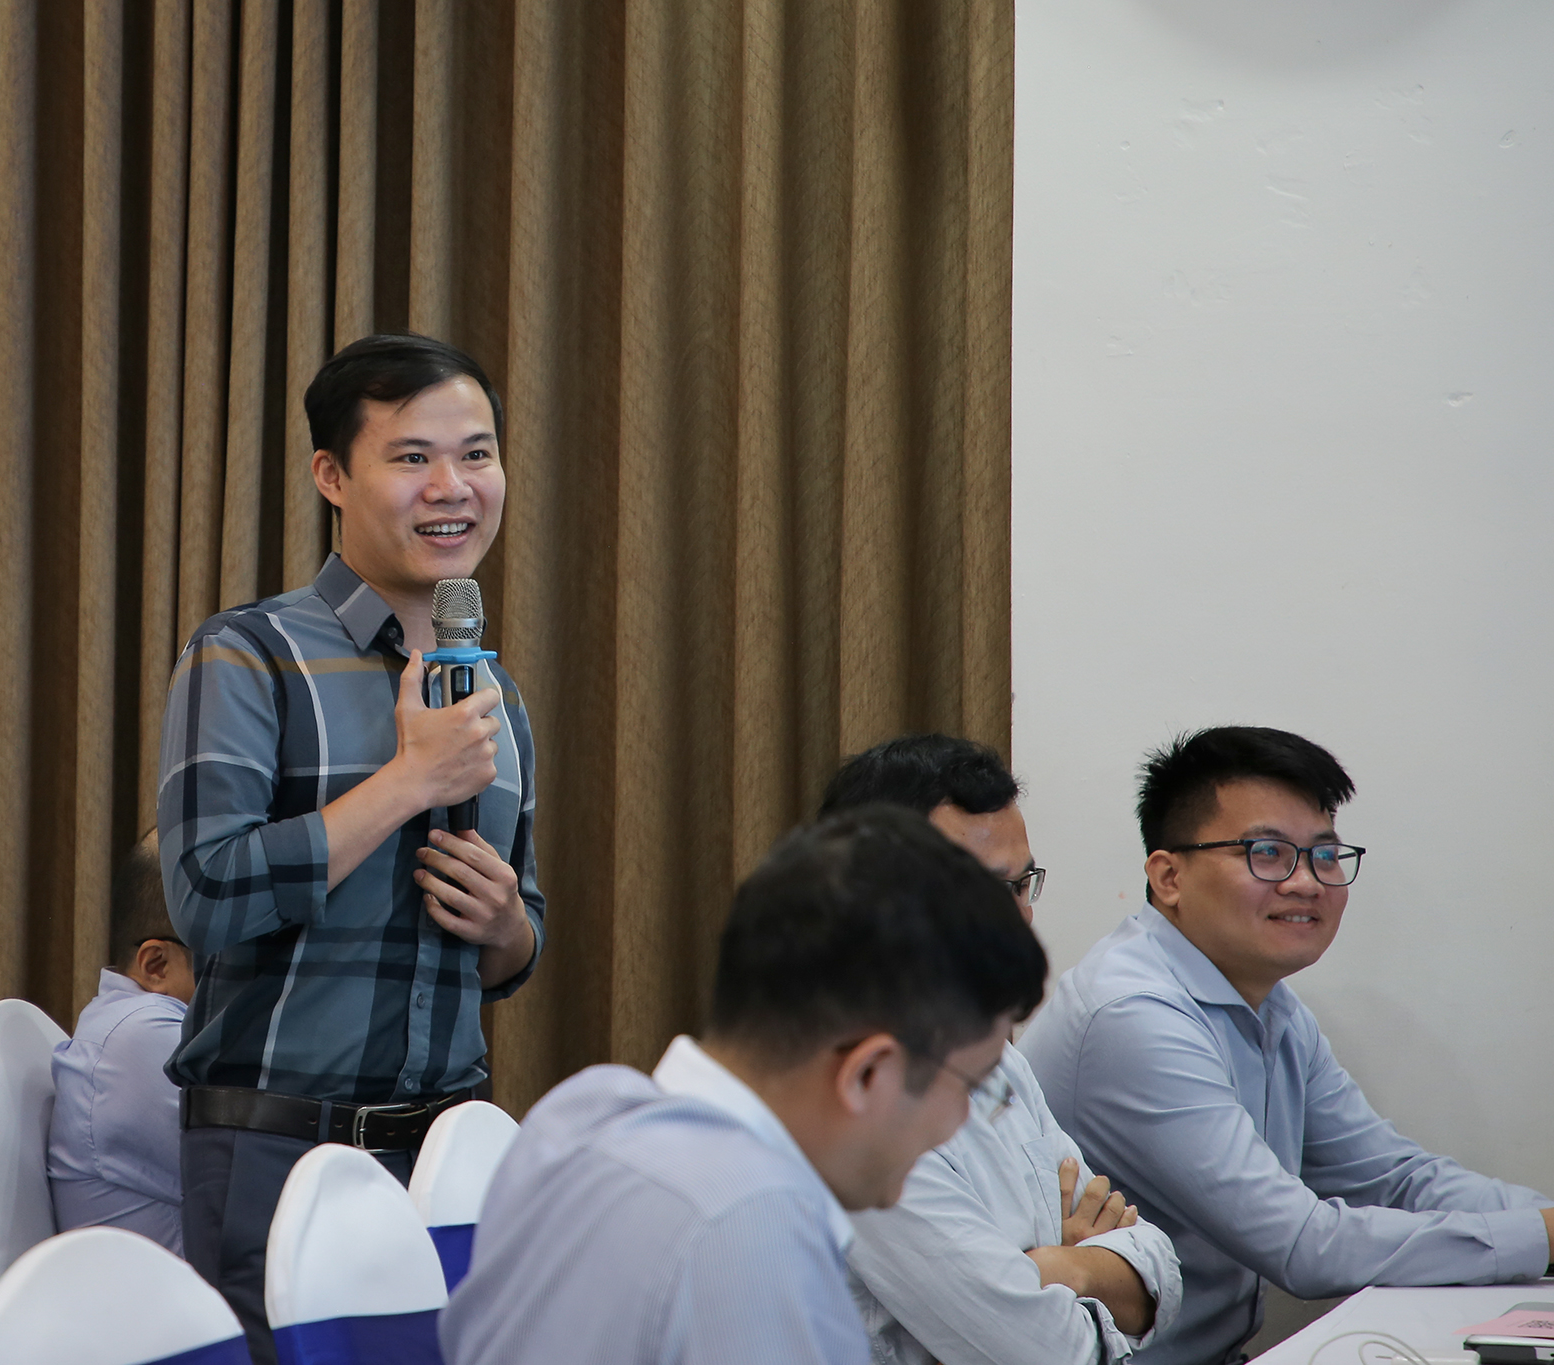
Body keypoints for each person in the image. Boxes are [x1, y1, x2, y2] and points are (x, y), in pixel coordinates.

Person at [159, 332, 544, 1359]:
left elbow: (516, 944)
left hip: (445, 1164)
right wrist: (408, 781)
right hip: (274, 1147)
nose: (452, 487)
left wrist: (506, 926)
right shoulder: (248, 654)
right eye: (412, 457)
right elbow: (205, 897)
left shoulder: (493, 693)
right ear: (331, 475)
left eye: (476, 454)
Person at [440, 804, 1049, 1365]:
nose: (963, 1121)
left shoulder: (578, 1113)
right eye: (972, 1087)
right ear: (868, 1073)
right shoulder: (755, 1229)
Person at [1020, 726, 1554, 1365]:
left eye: (1324, 855)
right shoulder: (1133, 1014)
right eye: (1267, 853)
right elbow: (1302, 1245)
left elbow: (1392, 1177)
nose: (1306, 882)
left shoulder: (1271, 1006)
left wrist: (1542, 1222)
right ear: (1168, 877)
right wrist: (1542, 1237)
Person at [818, 735, 1180, 1365]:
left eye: (1020, 886)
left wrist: (1061, 1268)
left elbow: (1162, 1273)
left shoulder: (991, 1054)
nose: (1016, 921)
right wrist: (1077, 1264)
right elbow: (1046, 1354)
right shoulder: (850, 1100)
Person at [48, 829, 196, 1252]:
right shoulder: (141, 1036)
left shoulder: (125, 1023)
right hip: (171, 1296)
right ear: (157, 964)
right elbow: (279, 1169)